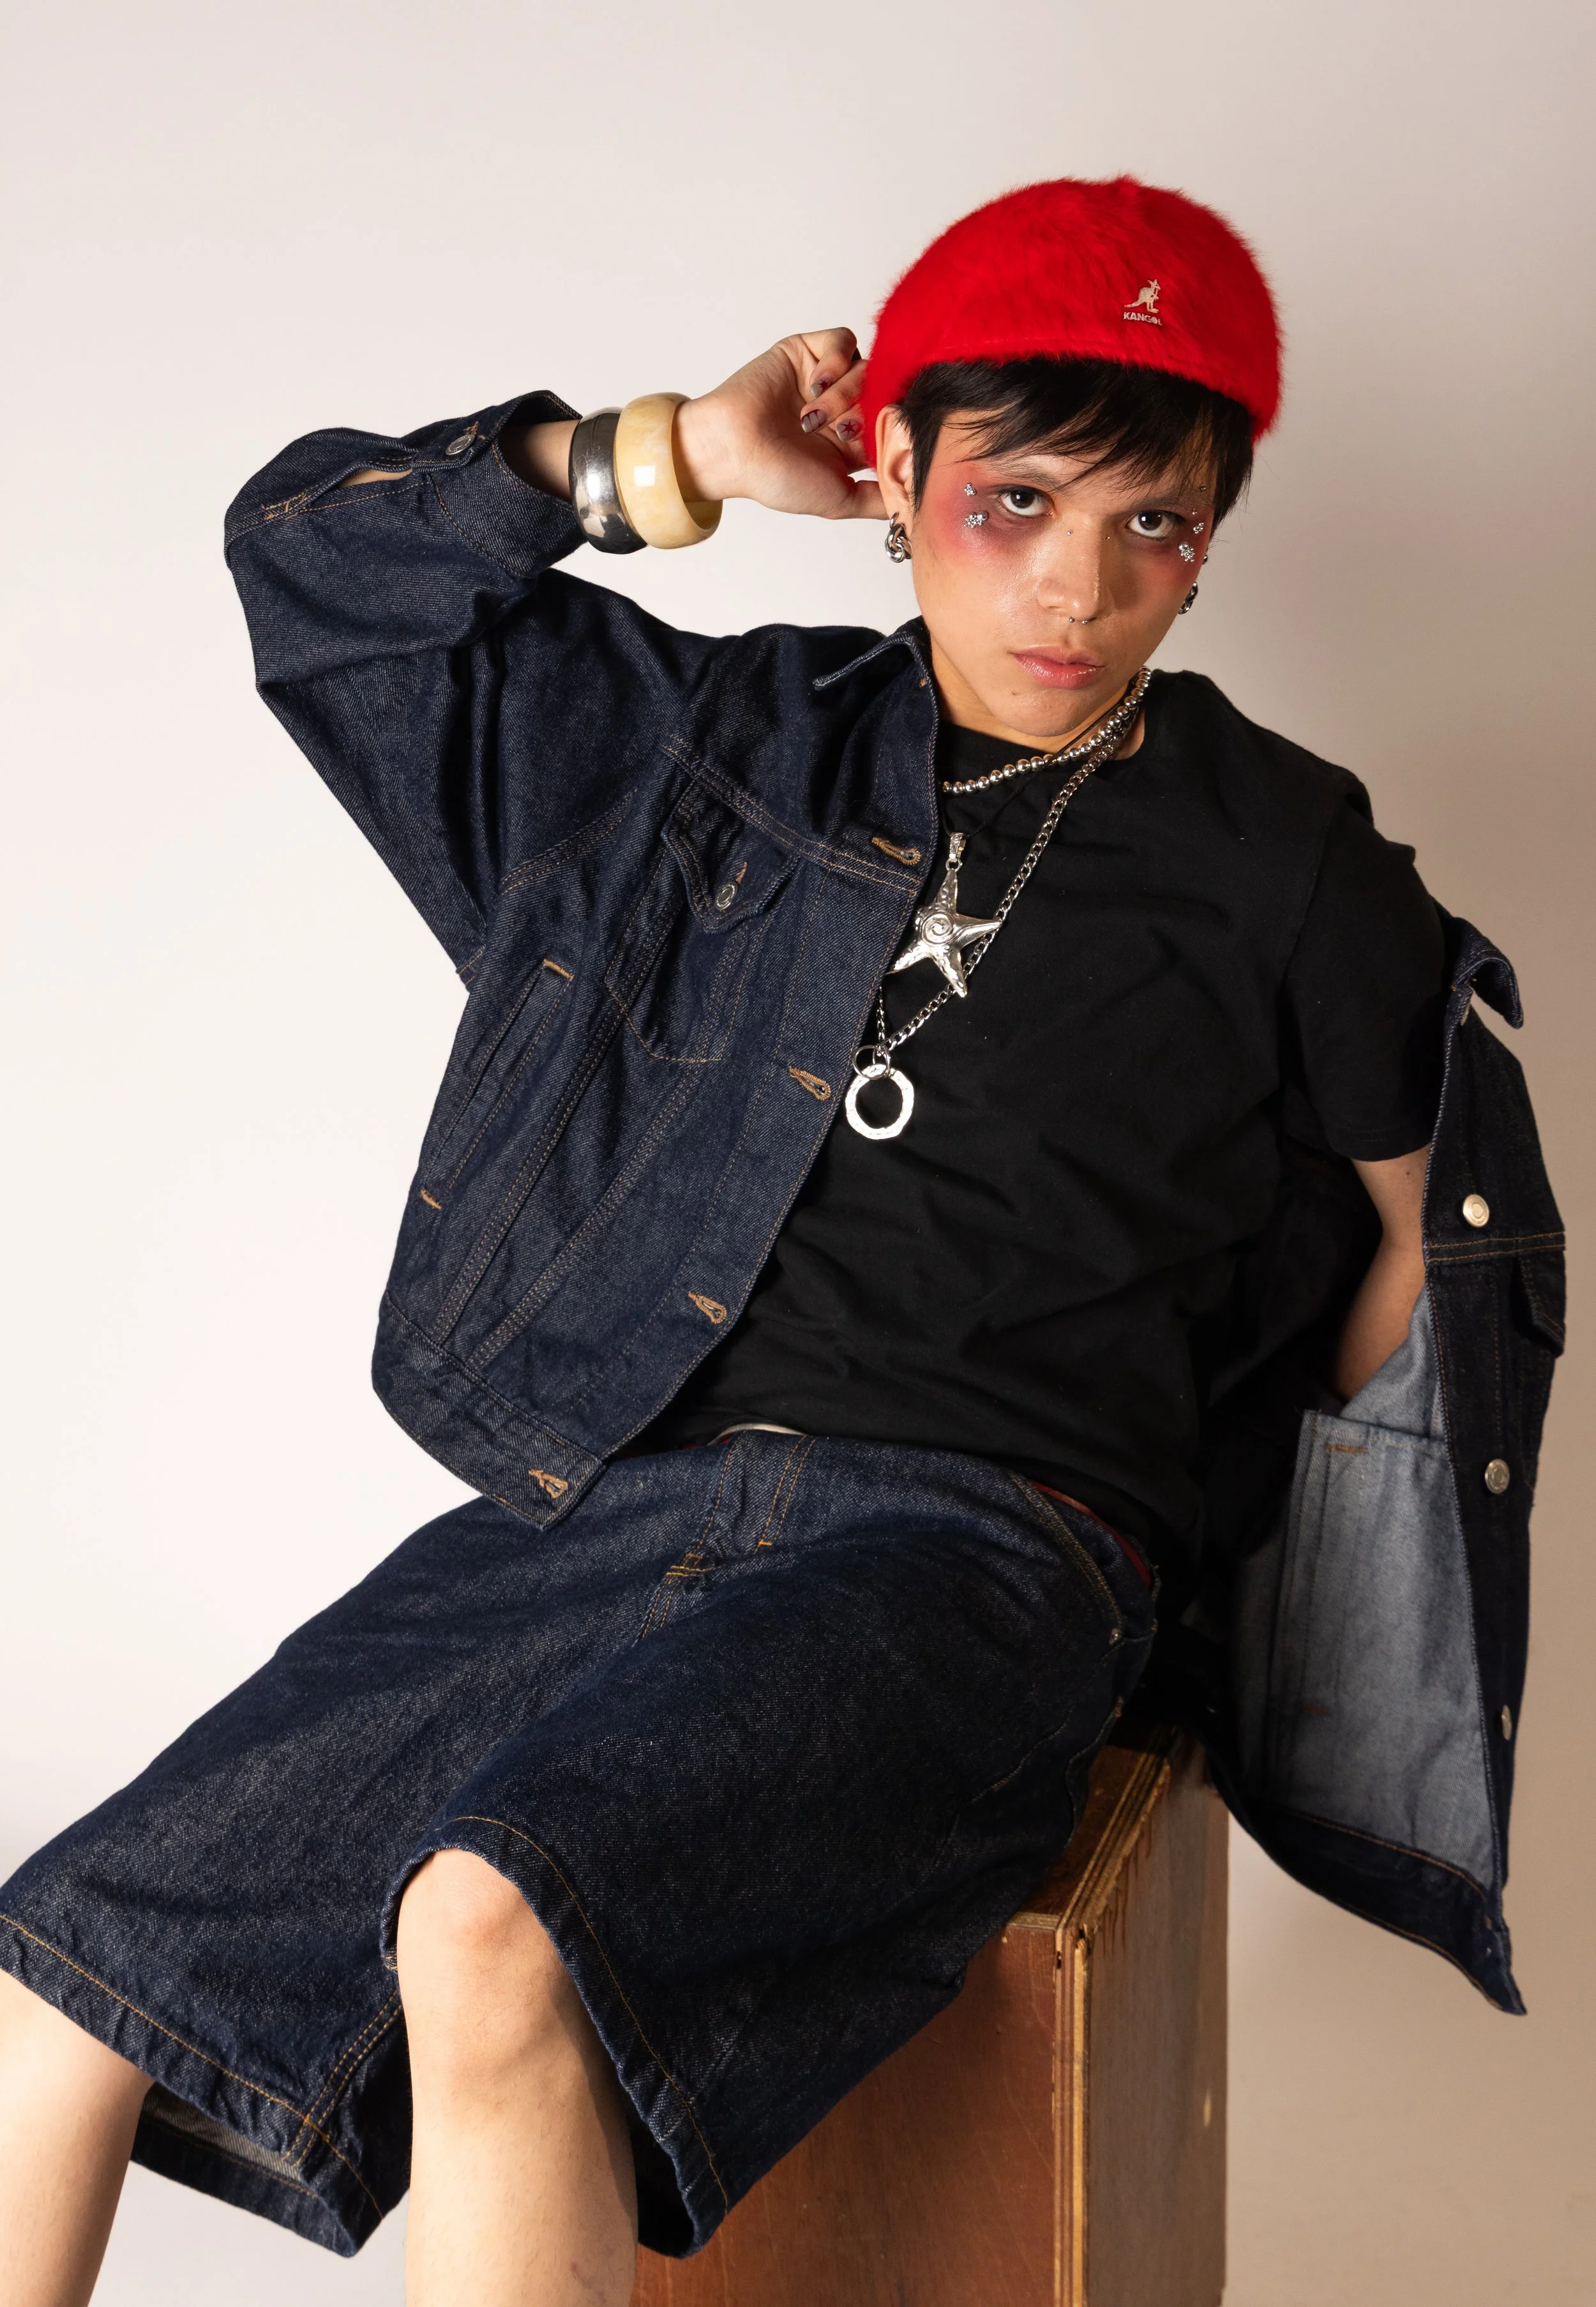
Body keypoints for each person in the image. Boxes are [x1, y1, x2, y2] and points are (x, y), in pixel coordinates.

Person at [0, 176, 1562, 2307]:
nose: (1080, 594)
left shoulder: (1285, 851)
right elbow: (318, 571)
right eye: (1012, 500)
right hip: (614, 1501)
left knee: (483, 1915)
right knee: (66, 1971)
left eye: (1154, 530)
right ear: (894, 469)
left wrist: (1184, 1572)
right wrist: (677, 460)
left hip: (987, 1540)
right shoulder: (706, 752)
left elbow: (1422, 1265)